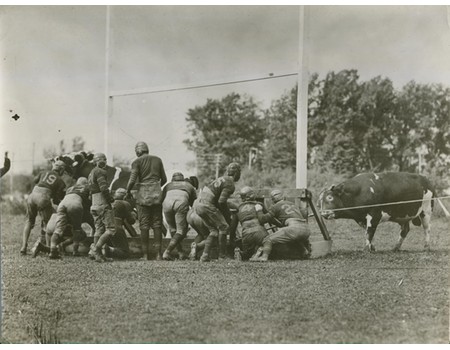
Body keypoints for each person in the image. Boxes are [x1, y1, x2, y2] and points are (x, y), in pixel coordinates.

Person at [126, 141, 167, 260]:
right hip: (156, 195)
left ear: (138, 151)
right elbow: (163, 179)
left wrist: (128, 191)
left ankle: (145, 255)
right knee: (157, 224)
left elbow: (132, 180)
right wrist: (155, 186)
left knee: (144, 225)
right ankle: (158, 254)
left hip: (143, 195)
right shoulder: (158, 160)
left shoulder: (136, 162)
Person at [194, 162, 241, 262]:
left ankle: (205, 256)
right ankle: (222, 256)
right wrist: (227, 215)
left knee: (214, 231)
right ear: (236, 173)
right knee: (224, 227)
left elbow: (219, 199)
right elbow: (221, 201)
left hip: (198, 204)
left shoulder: (221, 178)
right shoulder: (230, 183)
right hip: (207, 204)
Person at [20, 160, 66, 255]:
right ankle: (48, 248)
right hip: (43, 197)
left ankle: (23, 247)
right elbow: (57, 199)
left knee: (29, 221)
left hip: (32, 195)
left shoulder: (44, 172)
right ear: (61, 170)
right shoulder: (61, 181)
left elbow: (35, 180)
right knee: (48, 223)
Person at [254, 189, 311, 262]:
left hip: (294, 228)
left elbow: (262, 219)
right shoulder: (292, 204)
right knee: (294, 237)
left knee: (268, 239)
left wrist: (259, 210)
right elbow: (282, 223)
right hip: (306, 229)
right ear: (283, 197)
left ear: (273, 200)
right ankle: (305, 252)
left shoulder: (275, 206)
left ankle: (264, 257)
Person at [48, 177, 90, 259]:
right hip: (75, 204)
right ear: (85, 183)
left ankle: (52, 250)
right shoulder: (86, 188)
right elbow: (88, 203)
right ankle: (75, 251)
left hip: (62, 204)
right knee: (76, 229)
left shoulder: (70, 188)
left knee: (59, 229)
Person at [161, 172, 197, 260]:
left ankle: (180, 252)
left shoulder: (168, 185)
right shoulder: (189, 185)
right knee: (181, 231)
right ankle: (167, 252)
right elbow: (193, 203)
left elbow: (162, 198)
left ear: (173, 179)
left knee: (173, 229)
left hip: (166, 204)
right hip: (181, 203)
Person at [88, 153, 116, 262]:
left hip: (94, 203)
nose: (105, 162)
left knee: (98, 229)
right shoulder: (100, 171)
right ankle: (96, 249)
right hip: (102, 202)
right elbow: (104, 188)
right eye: (104, 159)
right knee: (111, 229)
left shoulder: (91, 172)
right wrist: (111, 200)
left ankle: (98, 255)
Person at [232, 186, 269, 261]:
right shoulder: (258, 204)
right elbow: (268, 218)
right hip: (260, 231)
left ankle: (241, 253)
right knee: (268, 242)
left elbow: (233, 227)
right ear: (252, 195)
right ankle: (262, 252)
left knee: (247, 253)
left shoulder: (238, 208)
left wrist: (232, 240)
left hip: (246, 233)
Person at [102, 188, 138, 260]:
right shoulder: (125, 203)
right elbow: (130, 221)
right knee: (125, 253)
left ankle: (105, 249)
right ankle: (107, 249)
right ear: (124, 197)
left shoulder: (110, 203)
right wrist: (134, 214)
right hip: (117, 227)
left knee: (115, 244)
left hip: (105, 227)